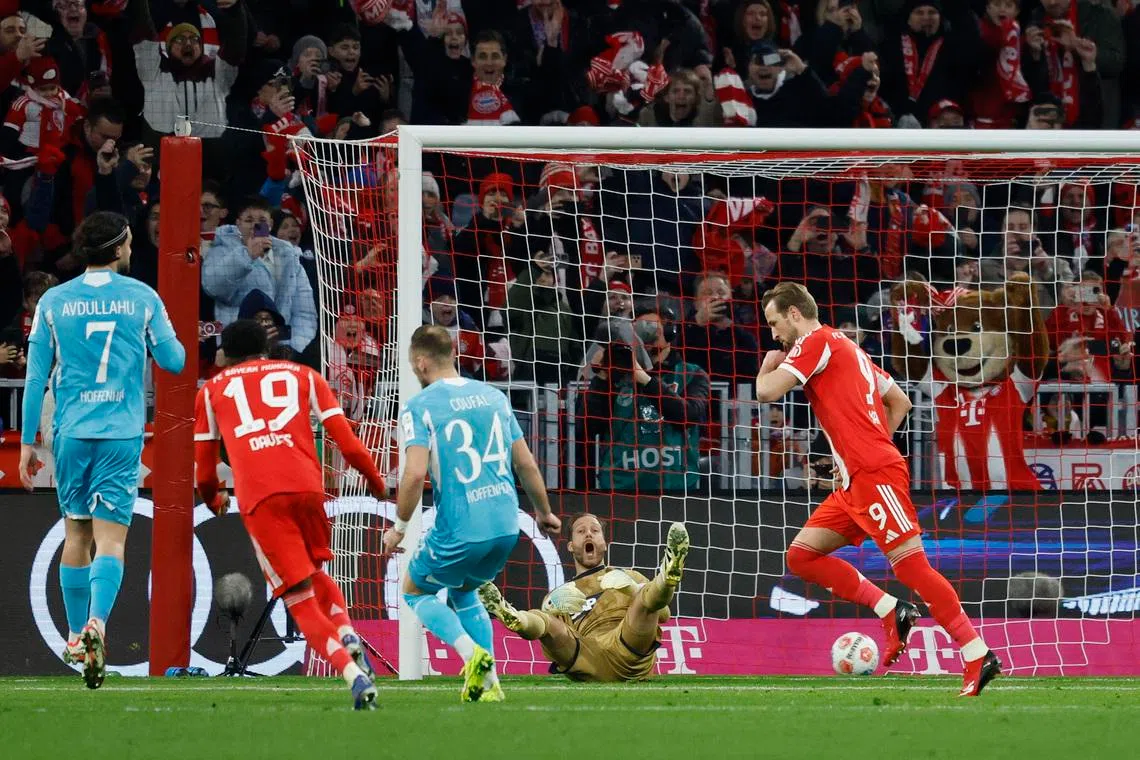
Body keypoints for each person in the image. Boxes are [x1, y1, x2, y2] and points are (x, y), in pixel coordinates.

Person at [754, 281, 1000, 697]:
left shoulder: (815, 341)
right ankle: (891, 609)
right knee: (801, 556)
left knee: (912, 567)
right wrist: (856, 454)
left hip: (874, 474)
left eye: (776, 324)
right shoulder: (851, 349)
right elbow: (899, 402)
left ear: (795, 314)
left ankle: (977, 653)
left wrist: (768, 363)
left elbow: (765, 391)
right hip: (857, 477)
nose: (775, 334)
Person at [17, 211, 186, 689]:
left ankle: (74, 636)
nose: (132, 249)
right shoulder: (142, 298)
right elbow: (175, 362)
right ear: (116, 250)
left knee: (77, 535)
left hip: (69, 433)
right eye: (129, 243)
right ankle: (98, 625)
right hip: (120, 432)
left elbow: (35, 380)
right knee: (112, 540)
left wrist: (28, 443)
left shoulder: (53, 300)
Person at [193, 320, 387, 710]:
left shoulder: (213, 390)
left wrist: (214, 500)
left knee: (299, 599)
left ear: (225, 355)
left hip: (263, 499)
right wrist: (377, 483)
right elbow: (346, 439)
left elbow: (204, 468)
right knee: (315, 573)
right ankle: (348, 634)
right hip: (308, 488)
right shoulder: (305, 375)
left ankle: (352, 674)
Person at [380, 324, 561, 703]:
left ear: (420, 361)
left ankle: (470, 654)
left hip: (462, 527)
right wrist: (544, 513)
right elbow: (526, 463)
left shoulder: (420, 406)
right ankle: (491, 684)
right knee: (465, 591)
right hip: (506, 525)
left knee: (414, 591)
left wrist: (398, 527)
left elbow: (413, 474)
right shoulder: (493, 397)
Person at [478, 514, 690, 682]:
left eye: (595, 531)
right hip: (585, 655)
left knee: (646, 597)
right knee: (546, 621)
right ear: (571, 546)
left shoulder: (628, 576)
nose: (589, 534)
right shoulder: (560, 595)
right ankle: (514, 616)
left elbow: (663, 613)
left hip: (627, 648)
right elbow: (555, 637)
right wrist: (548, 607)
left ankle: (667, 576)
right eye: (581, 531)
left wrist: (633, 590)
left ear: (604, 543)